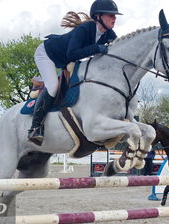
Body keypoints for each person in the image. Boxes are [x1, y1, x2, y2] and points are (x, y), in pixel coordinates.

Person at [27, 0, 122, 145]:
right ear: (98, 17)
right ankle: (35, 127)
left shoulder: (109, 34)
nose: (114, 18)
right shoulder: (84, 29)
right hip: (46, 53)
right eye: (110, 15)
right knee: (52, 86)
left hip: (63, 60)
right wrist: (97, 48)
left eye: (115, 15)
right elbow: (72, 54)